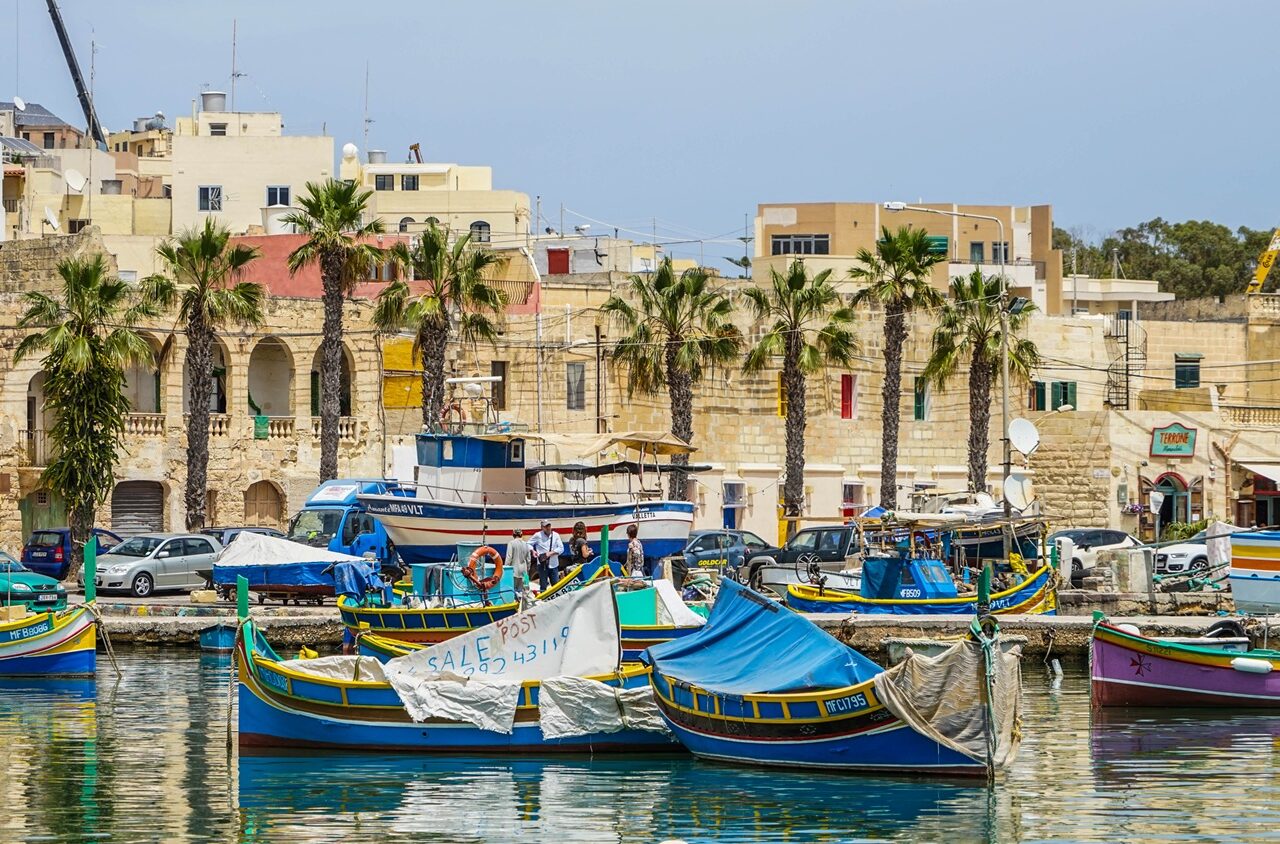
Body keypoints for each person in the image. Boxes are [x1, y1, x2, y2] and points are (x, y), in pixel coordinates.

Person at [529, 519, 564, 591]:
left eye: (549, 526)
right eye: (546, 526)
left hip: (553, 564)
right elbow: (528, 544)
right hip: (542, 565)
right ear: (542, 527)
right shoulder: (538, 535)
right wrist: (533, 551)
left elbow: (561, 548)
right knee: (543, 586)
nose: (548, 528)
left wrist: (550, 553)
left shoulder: (556, 535)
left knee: (556, 586)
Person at [507, 528, 532, 605]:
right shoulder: (526, 544)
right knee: (526, 591)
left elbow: (509, 557)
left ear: (513, 535)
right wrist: (528, 570)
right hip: (525, 572)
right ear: (521, 535)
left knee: (513, 591)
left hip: (514, 572)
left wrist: (506, 570)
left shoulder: (511, 543)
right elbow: (529, 560)